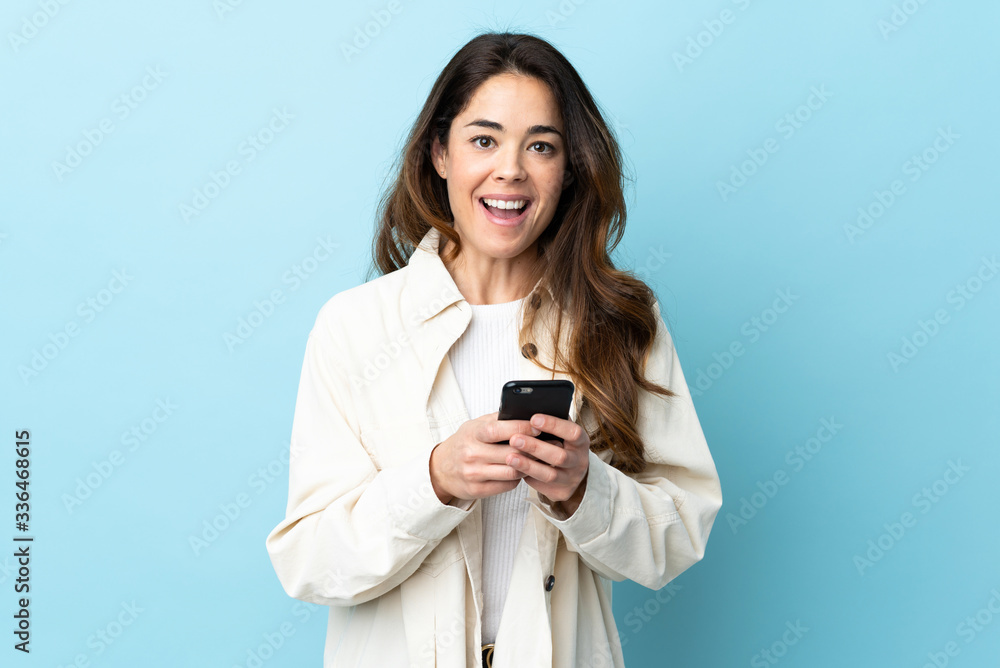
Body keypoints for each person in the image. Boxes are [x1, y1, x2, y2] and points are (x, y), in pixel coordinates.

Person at [265, 31, 723, 668]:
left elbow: (679, 535)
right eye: (484, 140)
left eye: (541, 146)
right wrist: (435, 482)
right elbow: (309, 562)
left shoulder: (619, 321)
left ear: (568, 171)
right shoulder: (355, 326)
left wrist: (583, 491)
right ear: (440, 154)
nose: (510, 169)